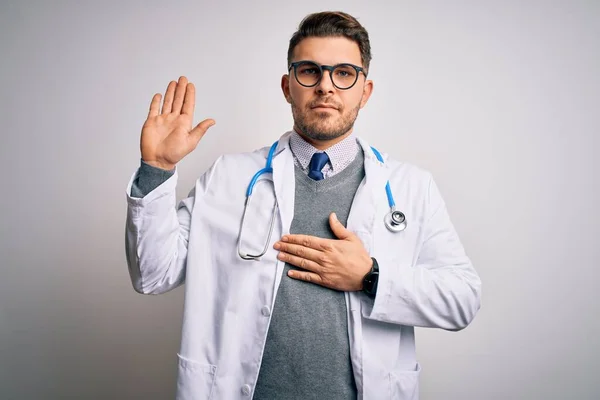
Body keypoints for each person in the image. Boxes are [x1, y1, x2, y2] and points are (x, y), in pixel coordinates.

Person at [125, 11, 481, 400]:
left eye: (344, 73)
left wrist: (371, 277)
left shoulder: (411, 186)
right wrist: (157, 169)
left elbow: (461, 300)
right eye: (310, 71)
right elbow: (153, 274)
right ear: (287, 86)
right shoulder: (228, 177)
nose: (326, 86)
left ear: (366, 90)